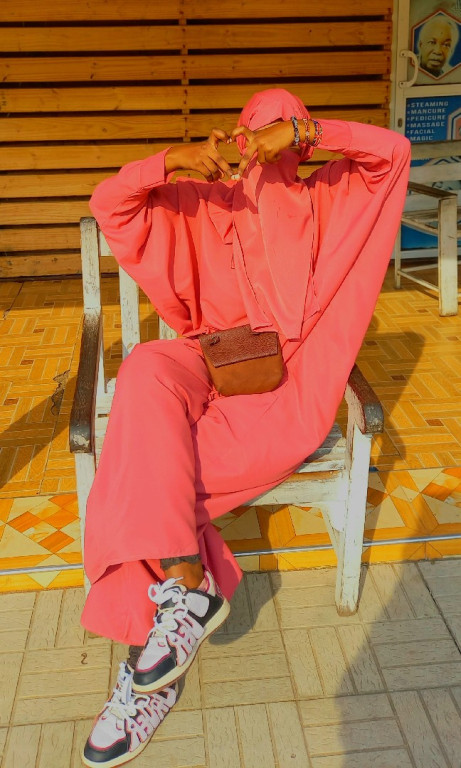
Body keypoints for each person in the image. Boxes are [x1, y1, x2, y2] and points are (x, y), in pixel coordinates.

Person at [80, 89, 411, 767]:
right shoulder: (204, 200)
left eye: (275, 135)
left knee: (141, 476)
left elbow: (394, 152)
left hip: (289, 390)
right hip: (209, 359)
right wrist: (170, 162)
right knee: (145, 367)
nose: (260, 151)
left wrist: (305, 133)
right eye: (252, 134)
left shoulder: (331, 197)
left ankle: (148, 678)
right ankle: (185, 585)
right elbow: (109, 204)